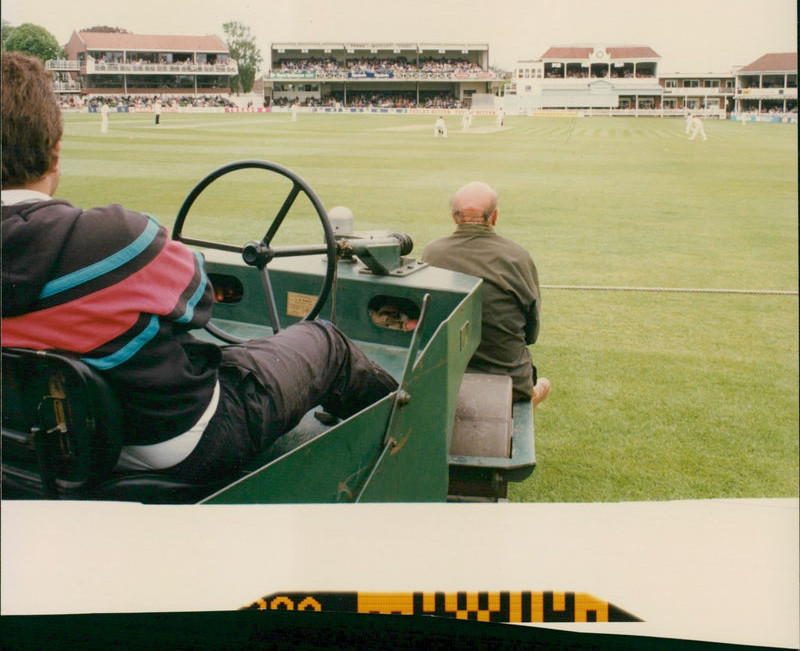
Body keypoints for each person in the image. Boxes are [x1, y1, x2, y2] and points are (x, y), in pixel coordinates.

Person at [1, 52, 397, 485]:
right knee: (327, 342)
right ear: (55, 153)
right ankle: (399, 445)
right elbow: (198, 305)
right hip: (171, 444)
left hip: (26, 449)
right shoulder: (118, 239)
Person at [422, 181, 550, 408]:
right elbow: (531, 333)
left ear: (454, 217)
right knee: (544, 385)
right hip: (510, 382)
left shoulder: (432, 253)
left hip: (445, 375)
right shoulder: (517, 257)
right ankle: (532, 396)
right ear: (494, 217)